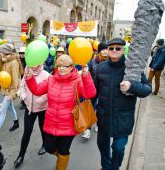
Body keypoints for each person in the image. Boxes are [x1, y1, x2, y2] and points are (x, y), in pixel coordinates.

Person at [25, 54, 96, 170]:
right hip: (51, 122)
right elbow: (37, 90)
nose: (62, 68)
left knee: (63, 151)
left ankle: (61, 163)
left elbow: (90, 94)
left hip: (69, 124)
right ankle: (62, 159)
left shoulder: (77, 81)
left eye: (65, 66)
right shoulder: (51, 79)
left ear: (72, 67)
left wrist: (86, 75)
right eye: (59, 66)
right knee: (49, 148)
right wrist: (30, 78)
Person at [94, 38, 152, 170]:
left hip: (123, 119)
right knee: (102, 145)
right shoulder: (101, 67)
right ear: (107, 50)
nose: (114, 50)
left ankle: (115, 167)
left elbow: (148, 89)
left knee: (118, 148)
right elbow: (94, 91)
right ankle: (106, 167)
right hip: (104, 117)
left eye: (118, 48)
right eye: (111, 48)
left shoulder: (132, 68)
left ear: (123, 50)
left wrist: (132, 86)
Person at [14, 64, 50, 168]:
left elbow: (48, 92)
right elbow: (22, 87)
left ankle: (44, 145)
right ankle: (21, 155)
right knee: (27, 131)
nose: (33, 65)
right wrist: (25, 98)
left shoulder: (46, 75)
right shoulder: (27, 72)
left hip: (42, 108)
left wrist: (39, 101)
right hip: (29, 108)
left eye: (35, 63)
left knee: (43, 128)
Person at [0, 43, 24, 139]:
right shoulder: (3, 61)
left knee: (2, 110)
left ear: (6, 52)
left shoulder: (14, 62)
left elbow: (15, 79)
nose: (0, 54)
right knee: (10, 108)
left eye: (1, 52)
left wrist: (13, 94)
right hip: (4, 90)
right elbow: (0, 77)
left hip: (10, 92)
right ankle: (16, 123)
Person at [82, 42, 109, 139]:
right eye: (103, 50)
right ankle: (87, 130)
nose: (105, 51)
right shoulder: (93, 62)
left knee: (101, 108)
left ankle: (98, 124)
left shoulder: (111, 62)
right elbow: (86, 74)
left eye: (107, 49)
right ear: (99, 51)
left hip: (105, 90)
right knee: (91, 108)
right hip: (93, 88)